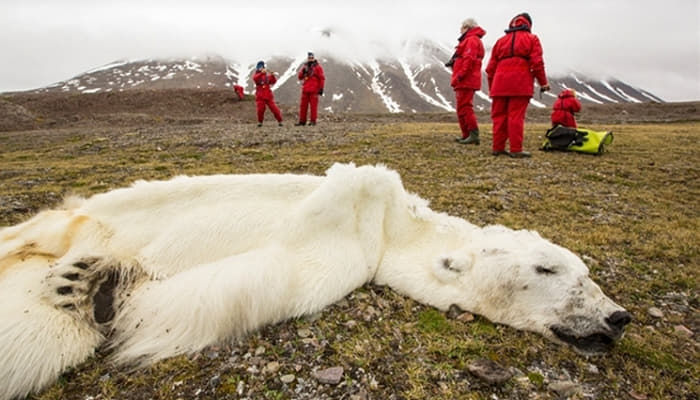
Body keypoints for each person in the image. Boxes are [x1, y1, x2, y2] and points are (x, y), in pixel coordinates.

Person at [485, 12, 550, 158]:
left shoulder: (500, 41)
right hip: (520, 83)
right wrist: (543, 82)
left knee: (499, 117)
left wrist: (492, 87)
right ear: (528, 25)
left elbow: (490, 69)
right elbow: (537, 63)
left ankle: (498, 147)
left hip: (499, 84)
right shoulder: (532, 39)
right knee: (516, 116)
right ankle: (516, 149)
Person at [448, 18, 486, 145]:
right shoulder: (470, 40)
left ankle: (473, 135)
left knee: (465, 107)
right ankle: (466, 134)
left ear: (467, 28)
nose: (460, 30)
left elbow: (468, 59)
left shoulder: (471, 40)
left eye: (462, 27)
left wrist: (460, 75)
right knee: (461, 108)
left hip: (466, 79)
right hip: (464, 79)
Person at [296, 52, 325, 126]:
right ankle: (302, 121)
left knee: (313, 107)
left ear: (314, 58)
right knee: (303, 106)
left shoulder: (318, 67)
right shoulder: (305, 67)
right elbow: (300, 77)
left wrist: (321, 88)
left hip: (314, 90)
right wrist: (302, 72)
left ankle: (313, 121)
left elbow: (322, 78)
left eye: (312, 58)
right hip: (305, 90)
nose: (310, 59)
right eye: (309, 58)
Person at [252, 61, 283, 127]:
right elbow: (255, 78)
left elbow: (273, 82)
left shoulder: (267, 76)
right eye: (259, 67)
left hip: (268, 96)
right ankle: (260, 122)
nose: (261, 68)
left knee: (274, 109)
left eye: (262, 67)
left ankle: (280, 121)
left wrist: (273, 75)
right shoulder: (256, 75)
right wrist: (261, 73)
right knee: (260, 110)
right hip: (260, 96)